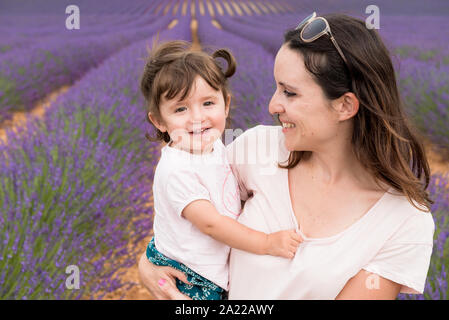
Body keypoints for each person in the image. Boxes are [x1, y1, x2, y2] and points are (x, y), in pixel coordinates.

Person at [138, 13, 435, 300]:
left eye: (289, 93)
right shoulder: (255, 149)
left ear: (345, 106)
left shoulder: (404, 222)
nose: (272, 105)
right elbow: (191, 217)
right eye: (276, 88)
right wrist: (149, 265)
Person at [139, 40, 302, 300]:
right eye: (180, 109)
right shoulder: (177, 169)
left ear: (225, 104)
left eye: (208, 104)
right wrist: (267, 243)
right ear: (159, 121)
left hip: (208, 271)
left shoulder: (215, 148)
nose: (197, 118)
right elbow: (212, 224)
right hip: (191, 277)